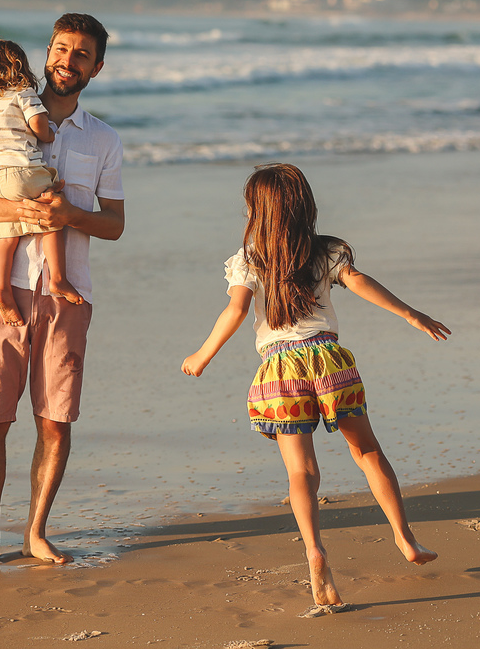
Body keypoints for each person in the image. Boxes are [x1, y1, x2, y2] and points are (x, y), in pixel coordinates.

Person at [181, 163, 446, 613]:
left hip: (279, 370)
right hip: (328, 360)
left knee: (301, 472)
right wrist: (410, 314)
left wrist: (202, 355)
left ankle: (314, 551)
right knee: (367, 451)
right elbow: (360, 282)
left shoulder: (248, 259)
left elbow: (237, 310)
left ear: (256, 211)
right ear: (304, 205)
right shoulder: (327, 251)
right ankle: (405, 538)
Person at [0, 14, 125, 569]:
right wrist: (25, 211)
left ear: (97, 67)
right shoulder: (3, 109)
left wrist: (70, 213)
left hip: (67, 293)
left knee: (55, 419)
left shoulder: (103, 140)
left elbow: (115, 223)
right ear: (46, 53)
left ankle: (35, 533)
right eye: (60, 49)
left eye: (81, 54)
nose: (67, 61)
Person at [0, 38, 83, 327]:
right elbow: (39, 125)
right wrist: (48, 135)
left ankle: (2, 291)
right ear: (19, 67)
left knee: (5, 239)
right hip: (22, 170)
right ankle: (58, 278)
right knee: (50, 214)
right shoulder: (22, 92)